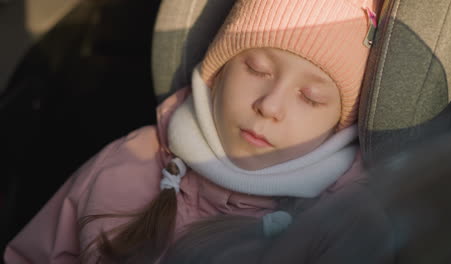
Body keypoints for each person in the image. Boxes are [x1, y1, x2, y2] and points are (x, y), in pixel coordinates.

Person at [3, 0, 381, 263]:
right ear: (217, 71)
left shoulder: (346, 227)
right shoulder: (128, 163)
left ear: (340, 123)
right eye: (257, 69)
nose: (270, 105)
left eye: (311, 97)